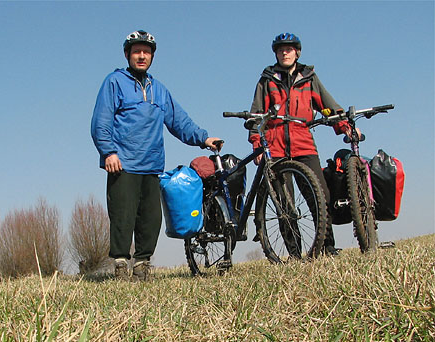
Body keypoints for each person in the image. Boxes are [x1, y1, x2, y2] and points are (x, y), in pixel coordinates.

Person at [91, 30, 220, 281]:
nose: (142, 56)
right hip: (123, 163)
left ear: (152, 56)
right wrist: (109, 152)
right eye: (137, 51)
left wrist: (204, 138)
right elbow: (101, 121)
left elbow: (179, 121)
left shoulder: (158, 89)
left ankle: (142, 265)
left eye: (146, 52)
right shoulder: (114, 82)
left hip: (152, 165)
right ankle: (120, 265)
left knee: (150, 218)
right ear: (127, 54)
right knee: (122, 216)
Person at [249, 33, 355, 256]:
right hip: (275, 147)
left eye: (289, 49)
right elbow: (256, 114)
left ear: (297, 52)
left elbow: (329, 104)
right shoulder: (266, 79)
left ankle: (327, 247)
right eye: (280, 50)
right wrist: (257, 142)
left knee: (320, 196)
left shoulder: (309, 77)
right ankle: (295, 254)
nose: (284, 53)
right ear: (276, 54)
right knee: (284, 205)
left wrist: (344, 125)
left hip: (303, 143)